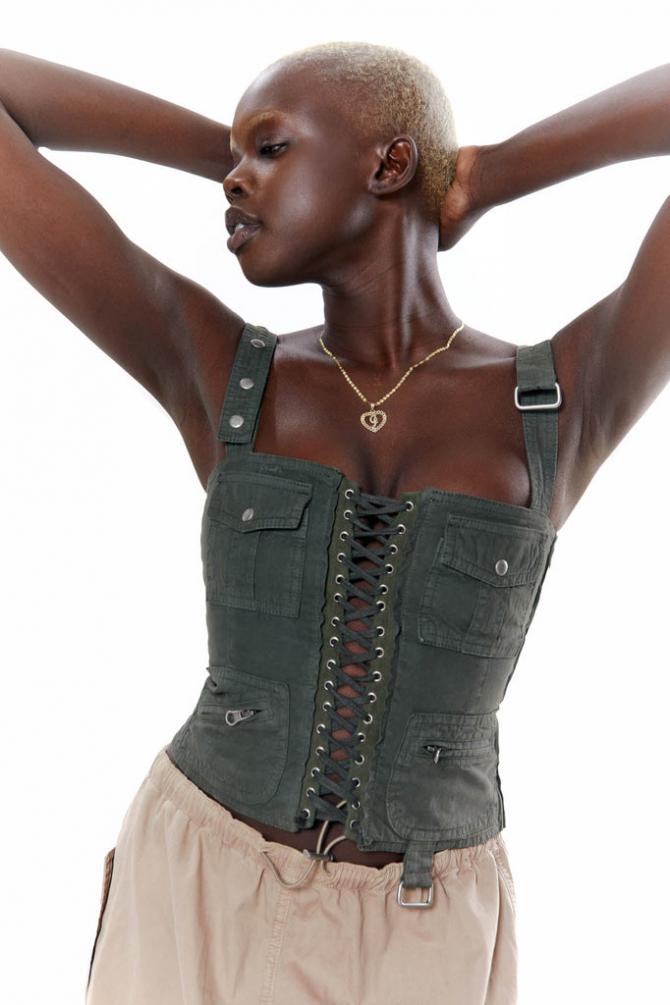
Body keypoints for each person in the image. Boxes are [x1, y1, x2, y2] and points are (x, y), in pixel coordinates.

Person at [1, 40, 668, 1005]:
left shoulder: (564, 394)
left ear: (389, 164)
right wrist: (230, 156)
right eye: (235, 158)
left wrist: (484, 175)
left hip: (424, 929)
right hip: (196, 883)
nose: (234, 180)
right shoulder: (221, 369)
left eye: (270, 148)